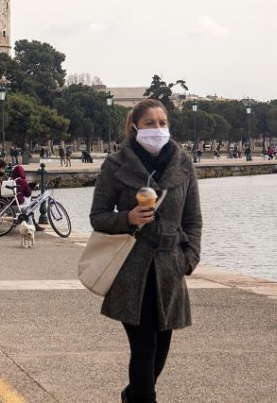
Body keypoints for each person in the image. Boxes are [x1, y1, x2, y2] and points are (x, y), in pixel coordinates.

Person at [89, 99, 202, 403]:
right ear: (135, 126)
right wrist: (127, 218)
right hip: (132, 270)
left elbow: (193, 219)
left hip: (170, 268)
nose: (158, 129)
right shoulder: (116, 164)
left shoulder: (183, 163)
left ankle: (132, 395)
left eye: (163, 123)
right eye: (150, 123)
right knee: (144, 347)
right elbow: (97, 216)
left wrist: (189, 259)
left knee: (160, 352)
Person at [9, 164, 44, 231]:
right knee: (28, 208)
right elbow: (28, 193)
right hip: (17, 205)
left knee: (28, 207)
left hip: (10, 204)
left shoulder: (11, 180)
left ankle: (31, 225)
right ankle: (31, 227)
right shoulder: (22, 181)